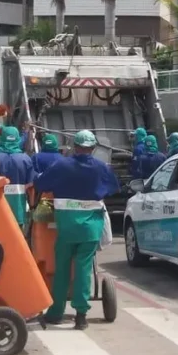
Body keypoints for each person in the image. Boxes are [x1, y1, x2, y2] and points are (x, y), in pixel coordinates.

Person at [33, 130, 119, 330]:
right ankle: (81, 316)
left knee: (61, 268)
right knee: (83, 269)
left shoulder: (61, 165)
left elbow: (40, 183)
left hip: (66, 226)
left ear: (74, 146)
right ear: (93, 148)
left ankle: (55, 313)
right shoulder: (101, 168)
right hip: (90, 227)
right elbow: (113, 187)